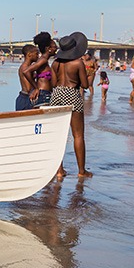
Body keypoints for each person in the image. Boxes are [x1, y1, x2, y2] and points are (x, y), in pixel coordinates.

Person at [50, 31, 92, 179]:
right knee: (78, 135)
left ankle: (59, 170)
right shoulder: (77, 63)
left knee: (58, 134)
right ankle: (81, 171)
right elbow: (85, 85)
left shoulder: (55, 63)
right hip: (72, 95)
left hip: (57, 94)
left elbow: (53, 83)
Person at [24, 32, 57, 108]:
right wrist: (36, 88)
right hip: (43, 94)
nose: (56, 49)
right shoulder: (43, 60)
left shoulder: (43, 60)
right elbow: (26, 71)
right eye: (54, 47)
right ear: (48, 49)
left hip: (45, 93)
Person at [16, 44, 39, 111]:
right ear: (29, 54)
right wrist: (36, 88)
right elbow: (28, 88)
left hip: (24, 97)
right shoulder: (25, 68)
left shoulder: (27, 67)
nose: (38, 56)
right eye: (36, 54)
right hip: (25, 98)